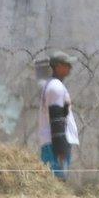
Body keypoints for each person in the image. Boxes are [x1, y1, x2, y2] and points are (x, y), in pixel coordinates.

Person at [39, 51, 79, 180]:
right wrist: (60, 148)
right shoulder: (56, 87)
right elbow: (56, 118)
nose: (70, 68)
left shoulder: (53, 85)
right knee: (57, 182)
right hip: (56, 143)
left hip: (53, 142)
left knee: (55, 183)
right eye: (67, 64)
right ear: (57, 66)